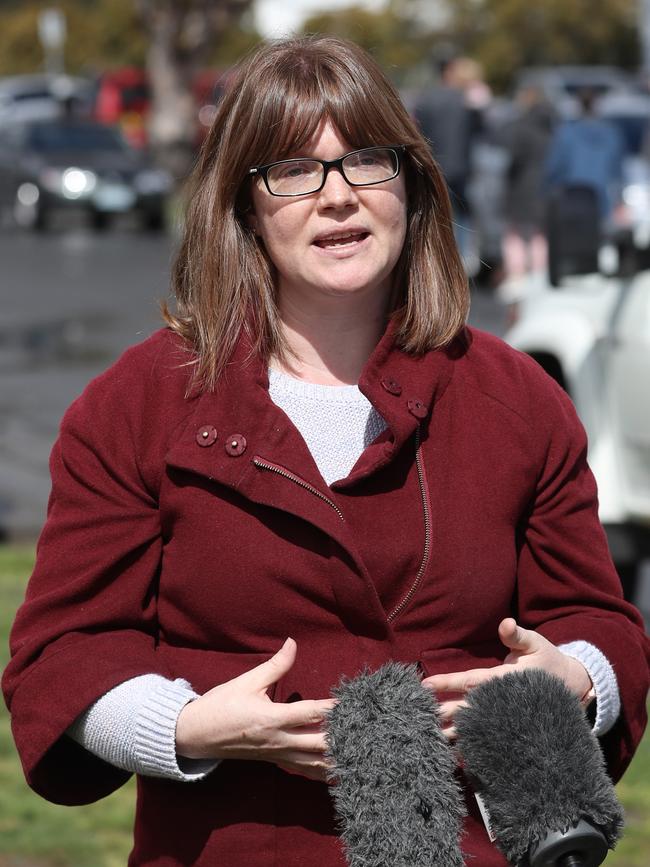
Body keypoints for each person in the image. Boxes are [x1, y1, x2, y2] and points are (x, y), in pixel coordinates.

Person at [2, 36, 648, 867]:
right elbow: (61, 660)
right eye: (293, 170)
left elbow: (604, 626)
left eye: (366, 162)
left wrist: (577, 677)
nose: (337, 198)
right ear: (242, 204)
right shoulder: (137, 405)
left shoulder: (517, 397)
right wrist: (190, 726)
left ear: (410, 184)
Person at [500, 85, 556, 290]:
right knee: (540, 233)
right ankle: (540, 273)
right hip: (545, 185)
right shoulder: (551, 125)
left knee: (515, 231)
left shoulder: (522, 127)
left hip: (522, 184)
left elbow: (514, 156)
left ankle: (517, 273)